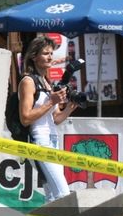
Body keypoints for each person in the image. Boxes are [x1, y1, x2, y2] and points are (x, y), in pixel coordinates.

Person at [19, 35, 78, 203]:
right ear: (34, 56)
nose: (50, 57)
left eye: (51, 53)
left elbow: (56, 118)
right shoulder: (28, 81)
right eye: (45, 53)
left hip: (53, 140)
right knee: (63, 194)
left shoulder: (48, 83)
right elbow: (25, 118)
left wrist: (70, 107)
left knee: (52, 197)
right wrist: (52, 101)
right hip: (39, 140)